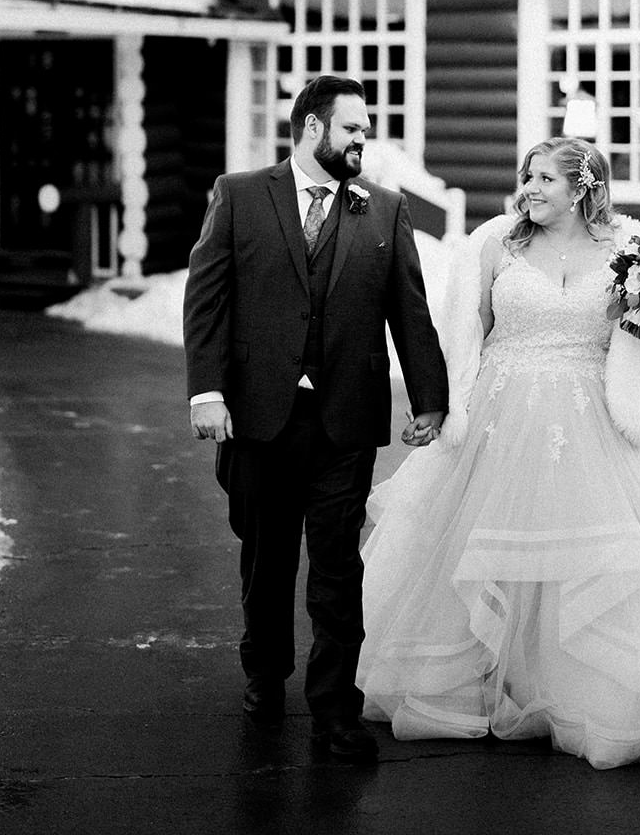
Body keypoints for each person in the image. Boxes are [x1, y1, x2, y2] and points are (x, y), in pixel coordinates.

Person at [357, 136, 640, 770]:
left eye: (545, 178)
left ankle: (574, 695)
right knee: (487, 550)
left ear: (583, 187)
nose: (529, 189)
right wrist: (444, 410)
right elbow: (461, 337)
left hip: (589, 421)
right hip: (502, 415)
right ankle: (490, 684)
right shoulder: (495, 244)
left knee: (589, 559)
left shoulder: (631, 252)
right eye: (526, 176)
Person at [183, 75, 449, 762]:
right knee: (265, 561)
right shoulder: (240, 195)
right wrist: (206, 393)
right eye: (352, 128)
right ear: (310, 129)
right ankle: (264, 676)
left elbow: (408, 313)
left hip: (345, 419)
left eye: (365, 128)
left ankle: (335, 710)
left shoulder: (382, 209)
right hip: (257, 416)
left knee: (336, 571)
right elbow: (206, 299)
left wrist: (429, 398)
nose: (364, 139)